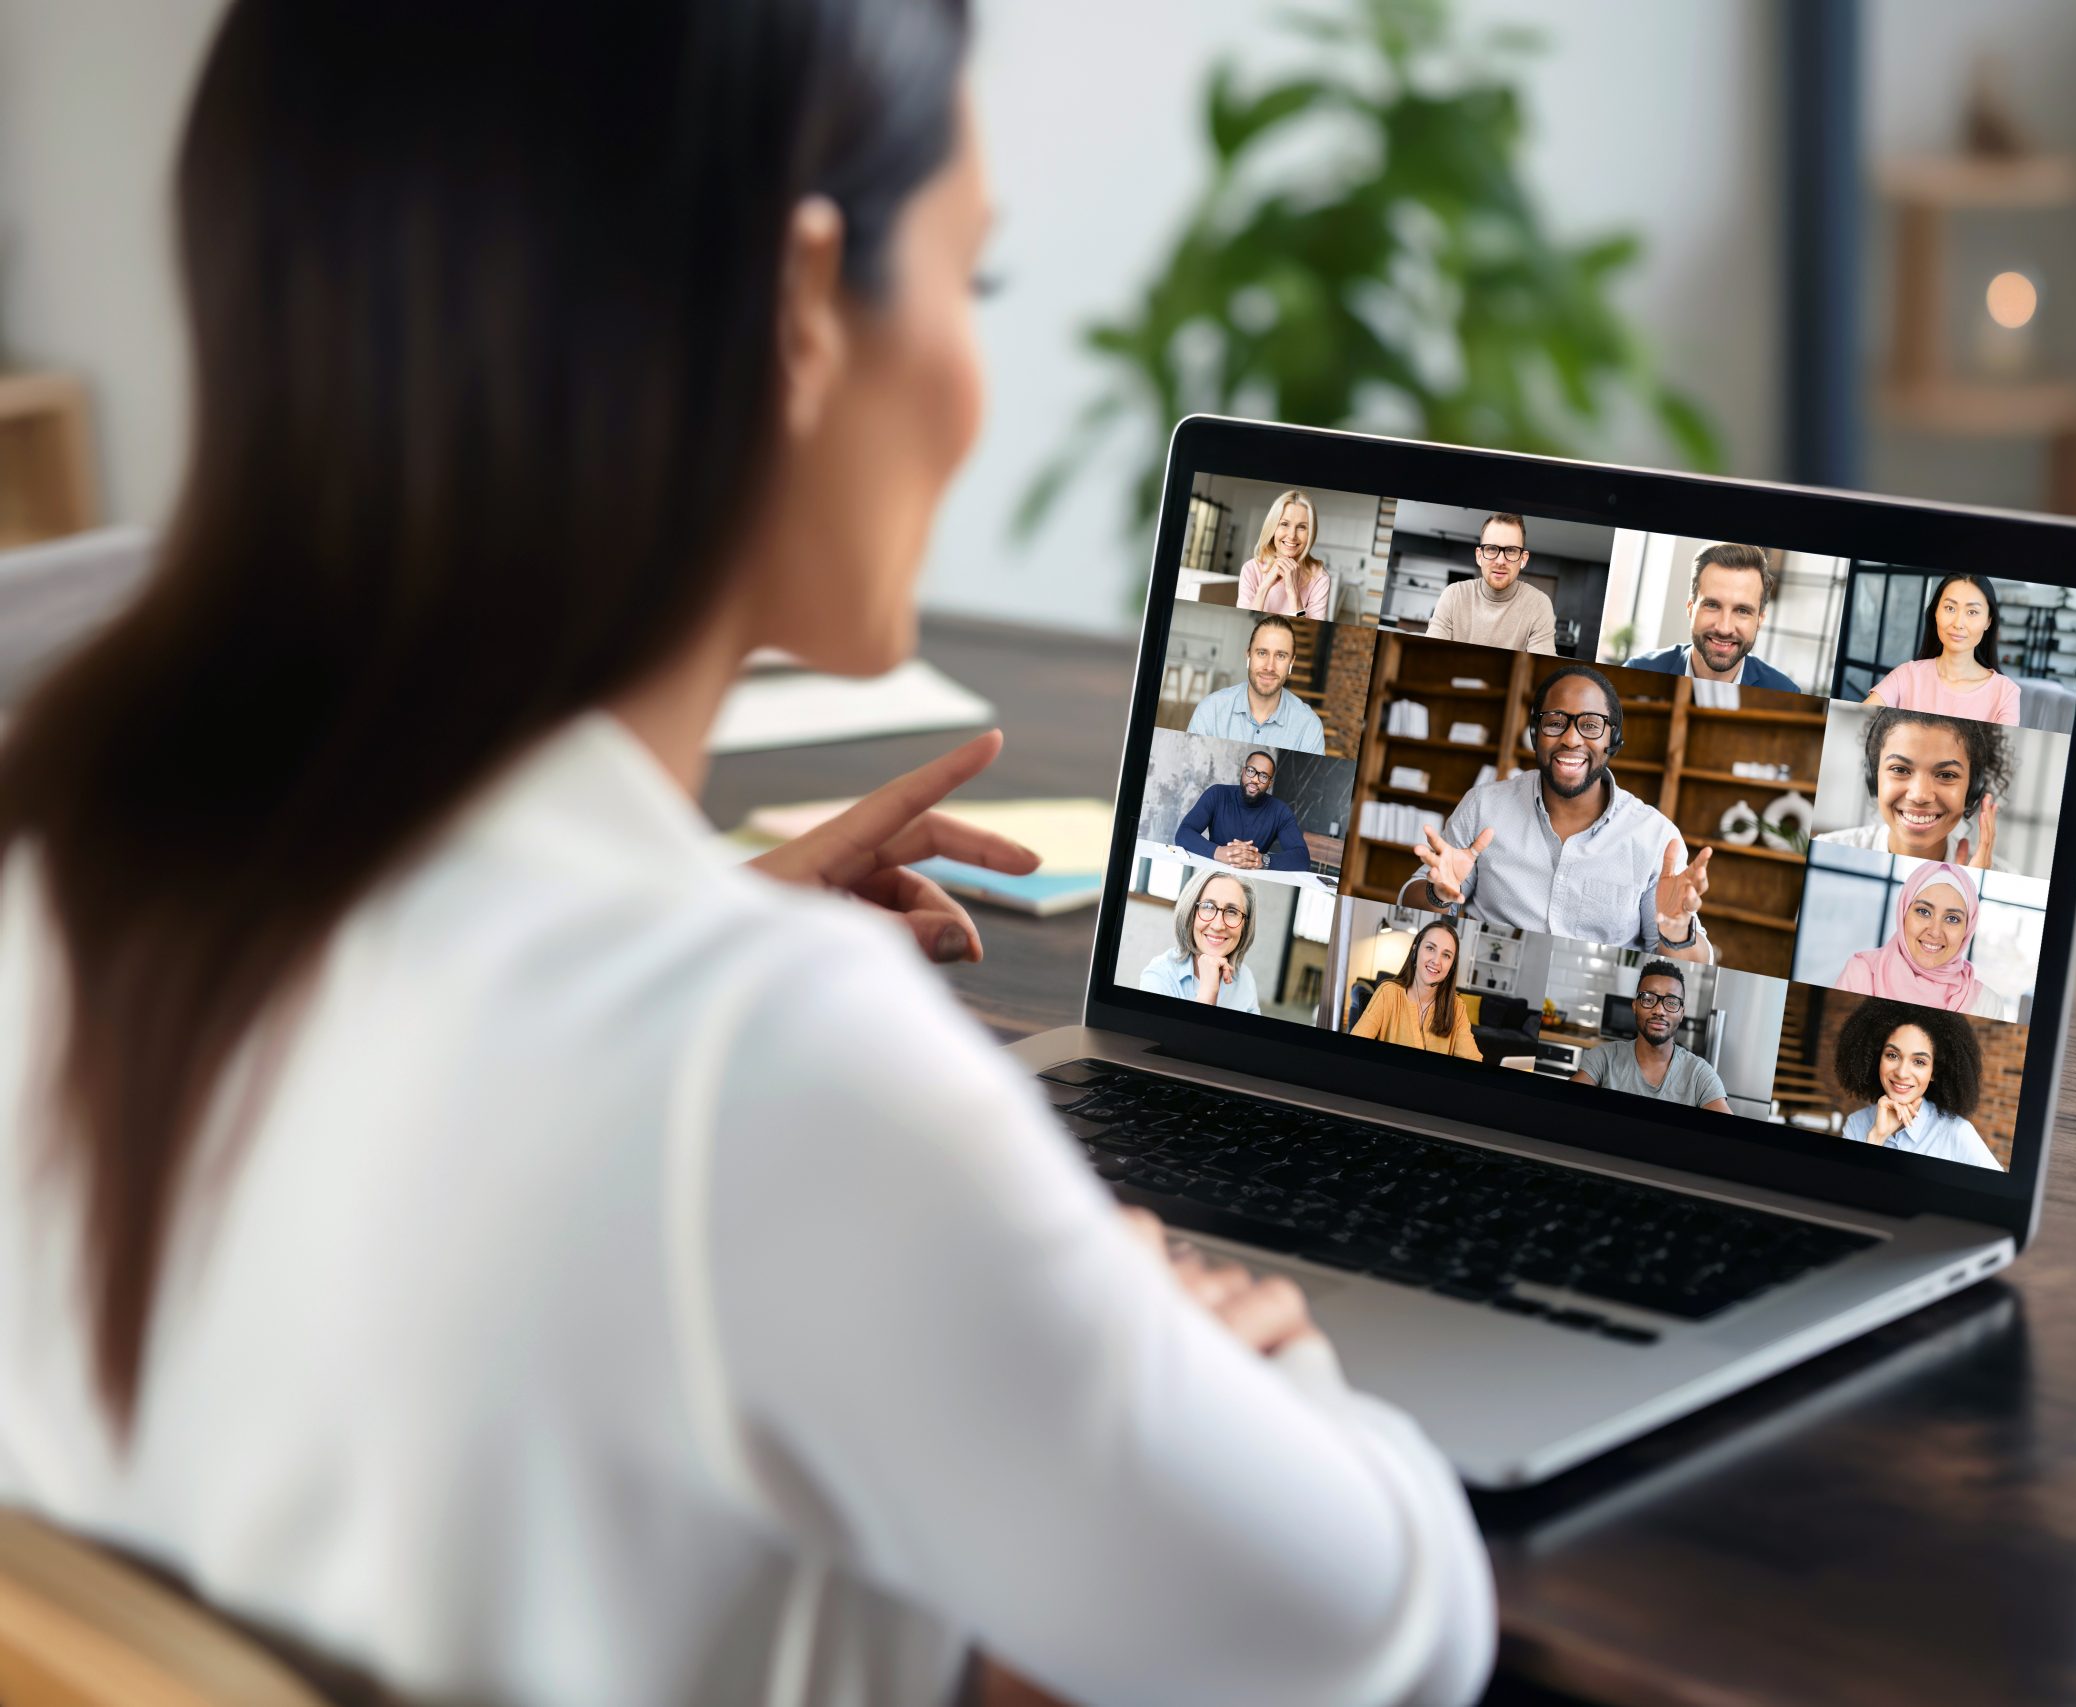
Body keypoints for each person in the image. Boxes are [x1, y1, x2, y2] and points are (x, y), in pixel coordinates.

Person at [0, 6, 1495, 1705]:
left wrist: (669, 942)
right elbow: (1387, 1637)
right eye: (973, 283)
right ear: (797, 306)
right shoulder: (764, 1073)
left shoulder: (69, 870)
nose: (973, 386)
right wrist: (1247, 1352)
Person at [1404, 665, 1716, 963]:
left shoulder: (1657, 838)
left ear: (1613, 739)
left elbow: (1691, 963)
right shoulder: (1482, 806)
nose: (1571, 738)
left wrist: (1678, 934)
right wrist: (1437, 894)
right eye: (1555, 722)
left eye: (1590, 725)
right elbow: (1412, 903)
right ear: (1535, 732)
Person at [1816, 706, 2013, 870]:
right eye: (1900, 769)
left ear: (1973, 789)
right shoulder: (1824, 853)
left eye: (1946, 775)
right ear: (1873, 777)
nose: (1920, 795)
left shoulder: (2003, 875)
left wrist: (1972, 889)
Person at [1832, 1000, 2001, 1168]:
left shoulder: (1957, 1133)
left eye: (1919, 1061)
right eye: (1892, 1055)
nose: (1902, 1073)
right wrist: (1876, 1138)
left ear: (1934, 1071)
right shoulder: (1857, 1125)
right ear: (1877, 1057)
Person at [1621, 543, 1802, 692]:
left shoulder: (1787, 691)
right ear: (1691, 608)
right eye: (1712, 605)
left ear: (1760, 619)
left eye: (1742, 611)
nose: (1724, 628)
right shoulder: (1635, 672)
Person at [1834, 861, 2002, 1017]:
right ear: (1903, 913)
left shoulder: (1986, 1004)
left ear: (1968, 928)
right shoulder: (1861, 971)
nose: (1935, 932)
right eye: (1923, 911)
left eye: (1952, 918)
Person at [1570, 963, 1734, 1111]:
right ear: (1635, 1006)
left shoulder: (1700, 1074)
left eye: (1671, 1002)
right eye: (1648, 999)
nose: (1659, 1010)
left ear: (1682, 1013)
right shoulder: (1603, 1058)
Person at [1864, 574, 2022, 726]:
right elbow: (1856, 722)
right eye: (1950, 608)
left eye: (1972, 612)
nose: (1958, 623)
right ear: (1936, 613)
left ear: (1988, 621)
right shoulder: (1907, 675)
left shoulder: (2006, 694)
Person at [1185, 612, 1328, 753]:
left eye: (1280, 656)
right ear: (1248, 655)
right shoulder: (1211, 710)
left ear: (1291, 662)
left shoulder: (1309, 727)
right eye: (1262, 653)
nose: (1270, 667)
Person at [1425, 512, 1556, 654]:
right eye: (1492, 549)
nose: (1500, 561)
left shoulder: (1539, 605)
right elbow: (1430, 655)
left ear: (1523, 559)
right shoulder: (1454, 595)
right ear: (1479, 556)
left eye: (1511, 550)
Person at [1137, 867, 1265, 1013]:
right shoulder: (1159, 976)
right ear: (1190, 912)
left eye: (1232, 911)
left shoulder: (1245, 978)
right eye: (1208, 906)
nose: (1218, 925)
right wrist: (1207, 994)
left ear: (1245, 925)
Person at [1350, 919, 1482, 1059]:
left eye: (1446, 955)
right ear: (1415, 951)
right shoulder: (1388, 993)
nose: (1436, 961)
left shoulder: (1457, 1008)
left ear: (1452, 966)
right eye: (1430, 948)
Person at [1173, 748, 1310, 873]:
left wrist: (1261, 860)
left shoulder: (1280, 812)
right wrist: (1219, 852)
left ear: (1270, 783)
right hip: (1212, 872)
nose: (1255, 780)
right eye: (1251, 771)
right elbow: (1183, 834)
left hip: (1253, 879)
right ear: (1243, 771)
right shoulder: (1217, 794)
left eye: (1263, 776)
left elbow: (1302, 859)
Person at [1235, 488, 1332, 619]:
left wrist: (1293, 592)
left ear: (1311, 533)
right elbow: (1245, 620)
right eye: (1284, 524)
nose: (1292, 536)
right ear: (1273, 527)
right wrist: (1264, 587)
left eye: (1302, 527)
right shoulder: (1250, 569)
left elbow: (1302, 632)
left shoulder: (1320, 579)